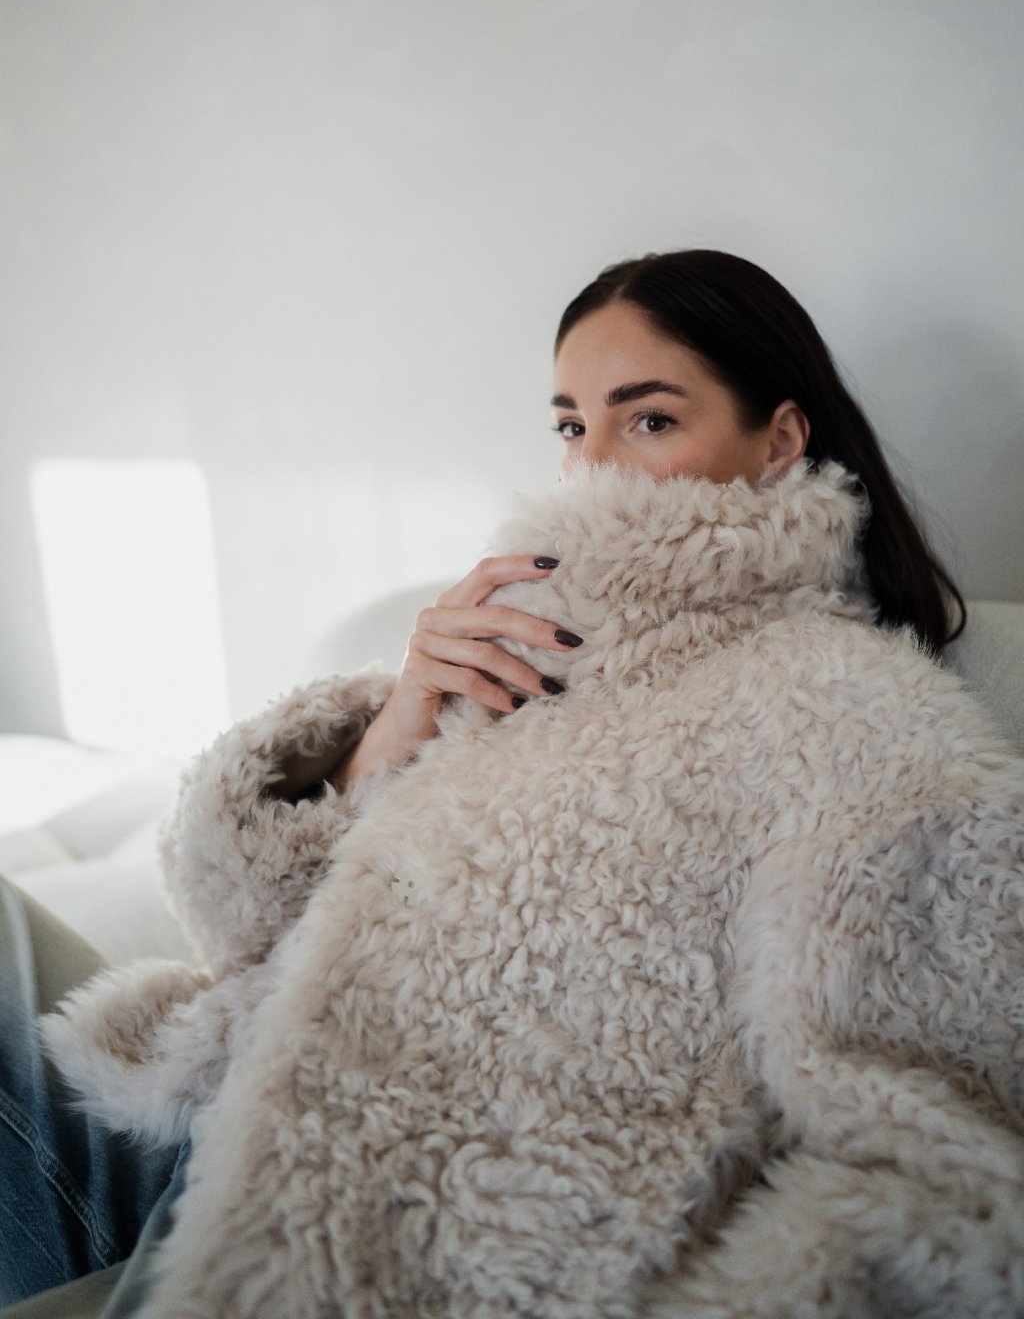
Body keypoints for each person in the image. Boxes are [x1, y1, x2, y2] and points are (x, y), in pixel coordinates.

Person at [2, 250, 1018, 1319]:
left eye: (650, 419)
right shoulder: (513, 647)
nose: (594, 464)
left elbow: (938, 1159)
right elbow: (241, 925)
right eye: (572, 426)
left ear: (780, 440)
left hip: (374, 1242)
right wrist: (399, 722)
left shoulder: (845, 713)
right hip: (206, 1130)